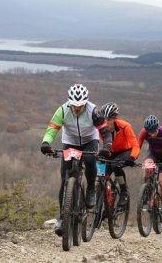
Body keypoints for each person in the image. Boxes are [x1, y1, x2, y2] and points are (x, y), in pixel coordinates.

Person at [40, 84, 112, 236]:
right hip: (70, 141)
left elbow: (105, 132)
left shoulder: (93, 111)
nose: (77, 108)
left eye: (80, 105)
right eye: (74, 105)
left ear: (85, 102)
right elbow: (52, 128)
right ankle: (62, 218)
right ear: (69, 102)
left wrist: (106, 147)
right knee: (65, 179)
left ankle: (91, 188)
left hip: (89, 140)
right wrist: (46, 143)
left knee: (91, 160)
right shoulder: (62, 110)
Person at [138, 115, 162, 223]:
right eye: (149, 132)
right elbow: (138, 147)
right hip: (153, 154)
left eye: (154, 132)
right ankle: (146, 189)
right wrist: (132, 158)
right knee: (147, 166)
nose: (151, 134)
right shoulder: (144, 132)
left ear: (157, 128)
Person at [100, 102, 140, 206]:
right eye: (104, 119)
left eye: (108, 119)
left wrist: (132, 157)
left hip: (125, 151)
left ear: (114, 119)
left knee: (115, 166)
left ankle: (124, 192)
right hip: (110, 152)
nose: (106, 122)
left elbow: (135, 146)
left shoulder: (125, 126)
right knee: (100, 173)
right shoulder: (100, 128)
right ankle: (105, 202)